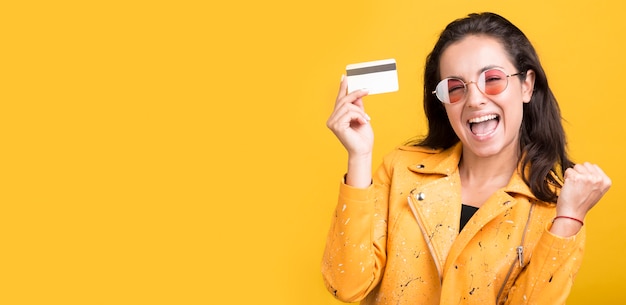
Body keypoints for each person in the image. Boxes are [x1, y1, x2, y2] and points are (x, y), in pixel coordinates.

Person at [322, 12, 611, 305]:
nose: (474, 99)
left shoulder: (557, 208)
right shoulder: (400, 171)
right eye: (455, 87)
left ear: (526, 85)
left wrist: (568, 220)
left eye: (493, 79)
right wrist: (359, 156)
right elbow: (346, 286)